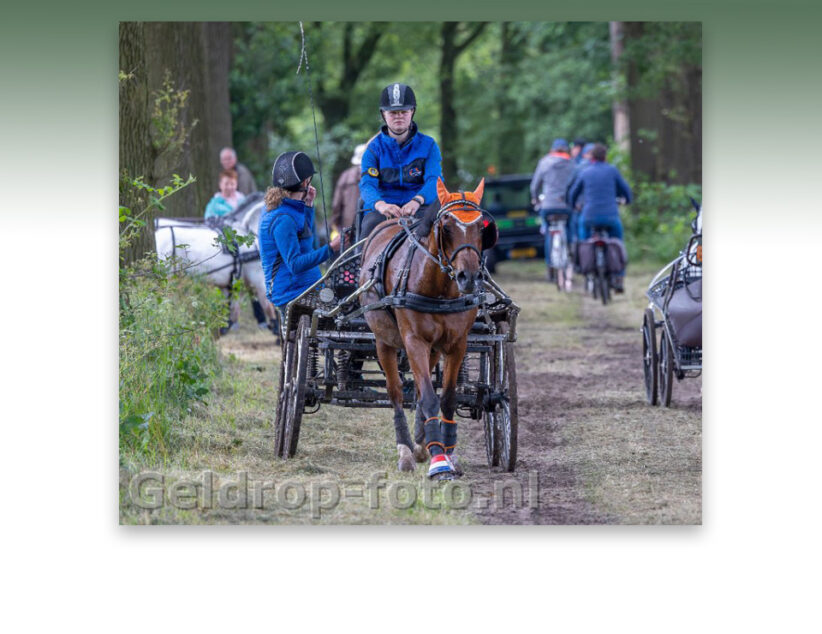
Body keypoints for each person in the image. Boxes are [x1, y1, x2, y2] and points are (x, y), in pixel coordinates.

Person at [259, 151, 341, 318]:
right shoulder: (284, 219)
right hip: (293, 291)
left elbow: (305, 240)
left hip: (304, 285)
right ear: (305, 182)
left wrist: (308, 207)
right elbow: (295, 264)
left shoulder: (286, 208)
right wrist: (332, 248)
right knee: (344, 309)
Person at [359, 83, 443, 240]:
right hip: (382, 212)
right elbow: (367, 185)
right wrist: (381, 205)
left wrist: (417, 200)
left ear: (412, 111)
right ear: (384, 114)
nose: (399, 116)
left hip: (422, 208)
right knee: (367, 230)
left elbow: (434, 180)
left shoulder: (429, 145)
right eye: (393, 112)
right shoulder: (372, 150)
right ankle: (359, 264)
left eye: (404, 111)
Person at [567, 143, 632, 291]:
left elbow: (572, 193)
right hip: (610, 216)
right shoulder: (612, 170)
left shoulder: (585, 172)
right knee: (618, 240)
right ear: (605, 157)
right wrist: (626, 201)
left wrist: (574, 206)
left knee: (583, 238)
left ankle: (584, 267)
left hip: (589, 216)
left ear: (591, 157)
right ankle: (619, 276)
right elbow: (626, 191)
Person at [530, 138, 576, 283]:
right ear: (566, 150)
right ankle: (570, 249)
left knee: (548, 230)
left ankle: (550, 264)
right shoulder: (572, 164)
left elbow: (534, 186)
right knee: (570, 226)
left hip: (548, 206)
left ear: (553, 150)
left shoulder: (544, 162)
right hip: (566, 205)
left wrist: (535, 199)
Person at [331, 143, 367, 237]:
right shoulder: (375, 175)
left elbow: (336, 204)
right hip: (370, 223)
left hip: (348, 223)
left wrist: (335, 222)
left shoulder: (345, 176)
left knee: (351, 249)